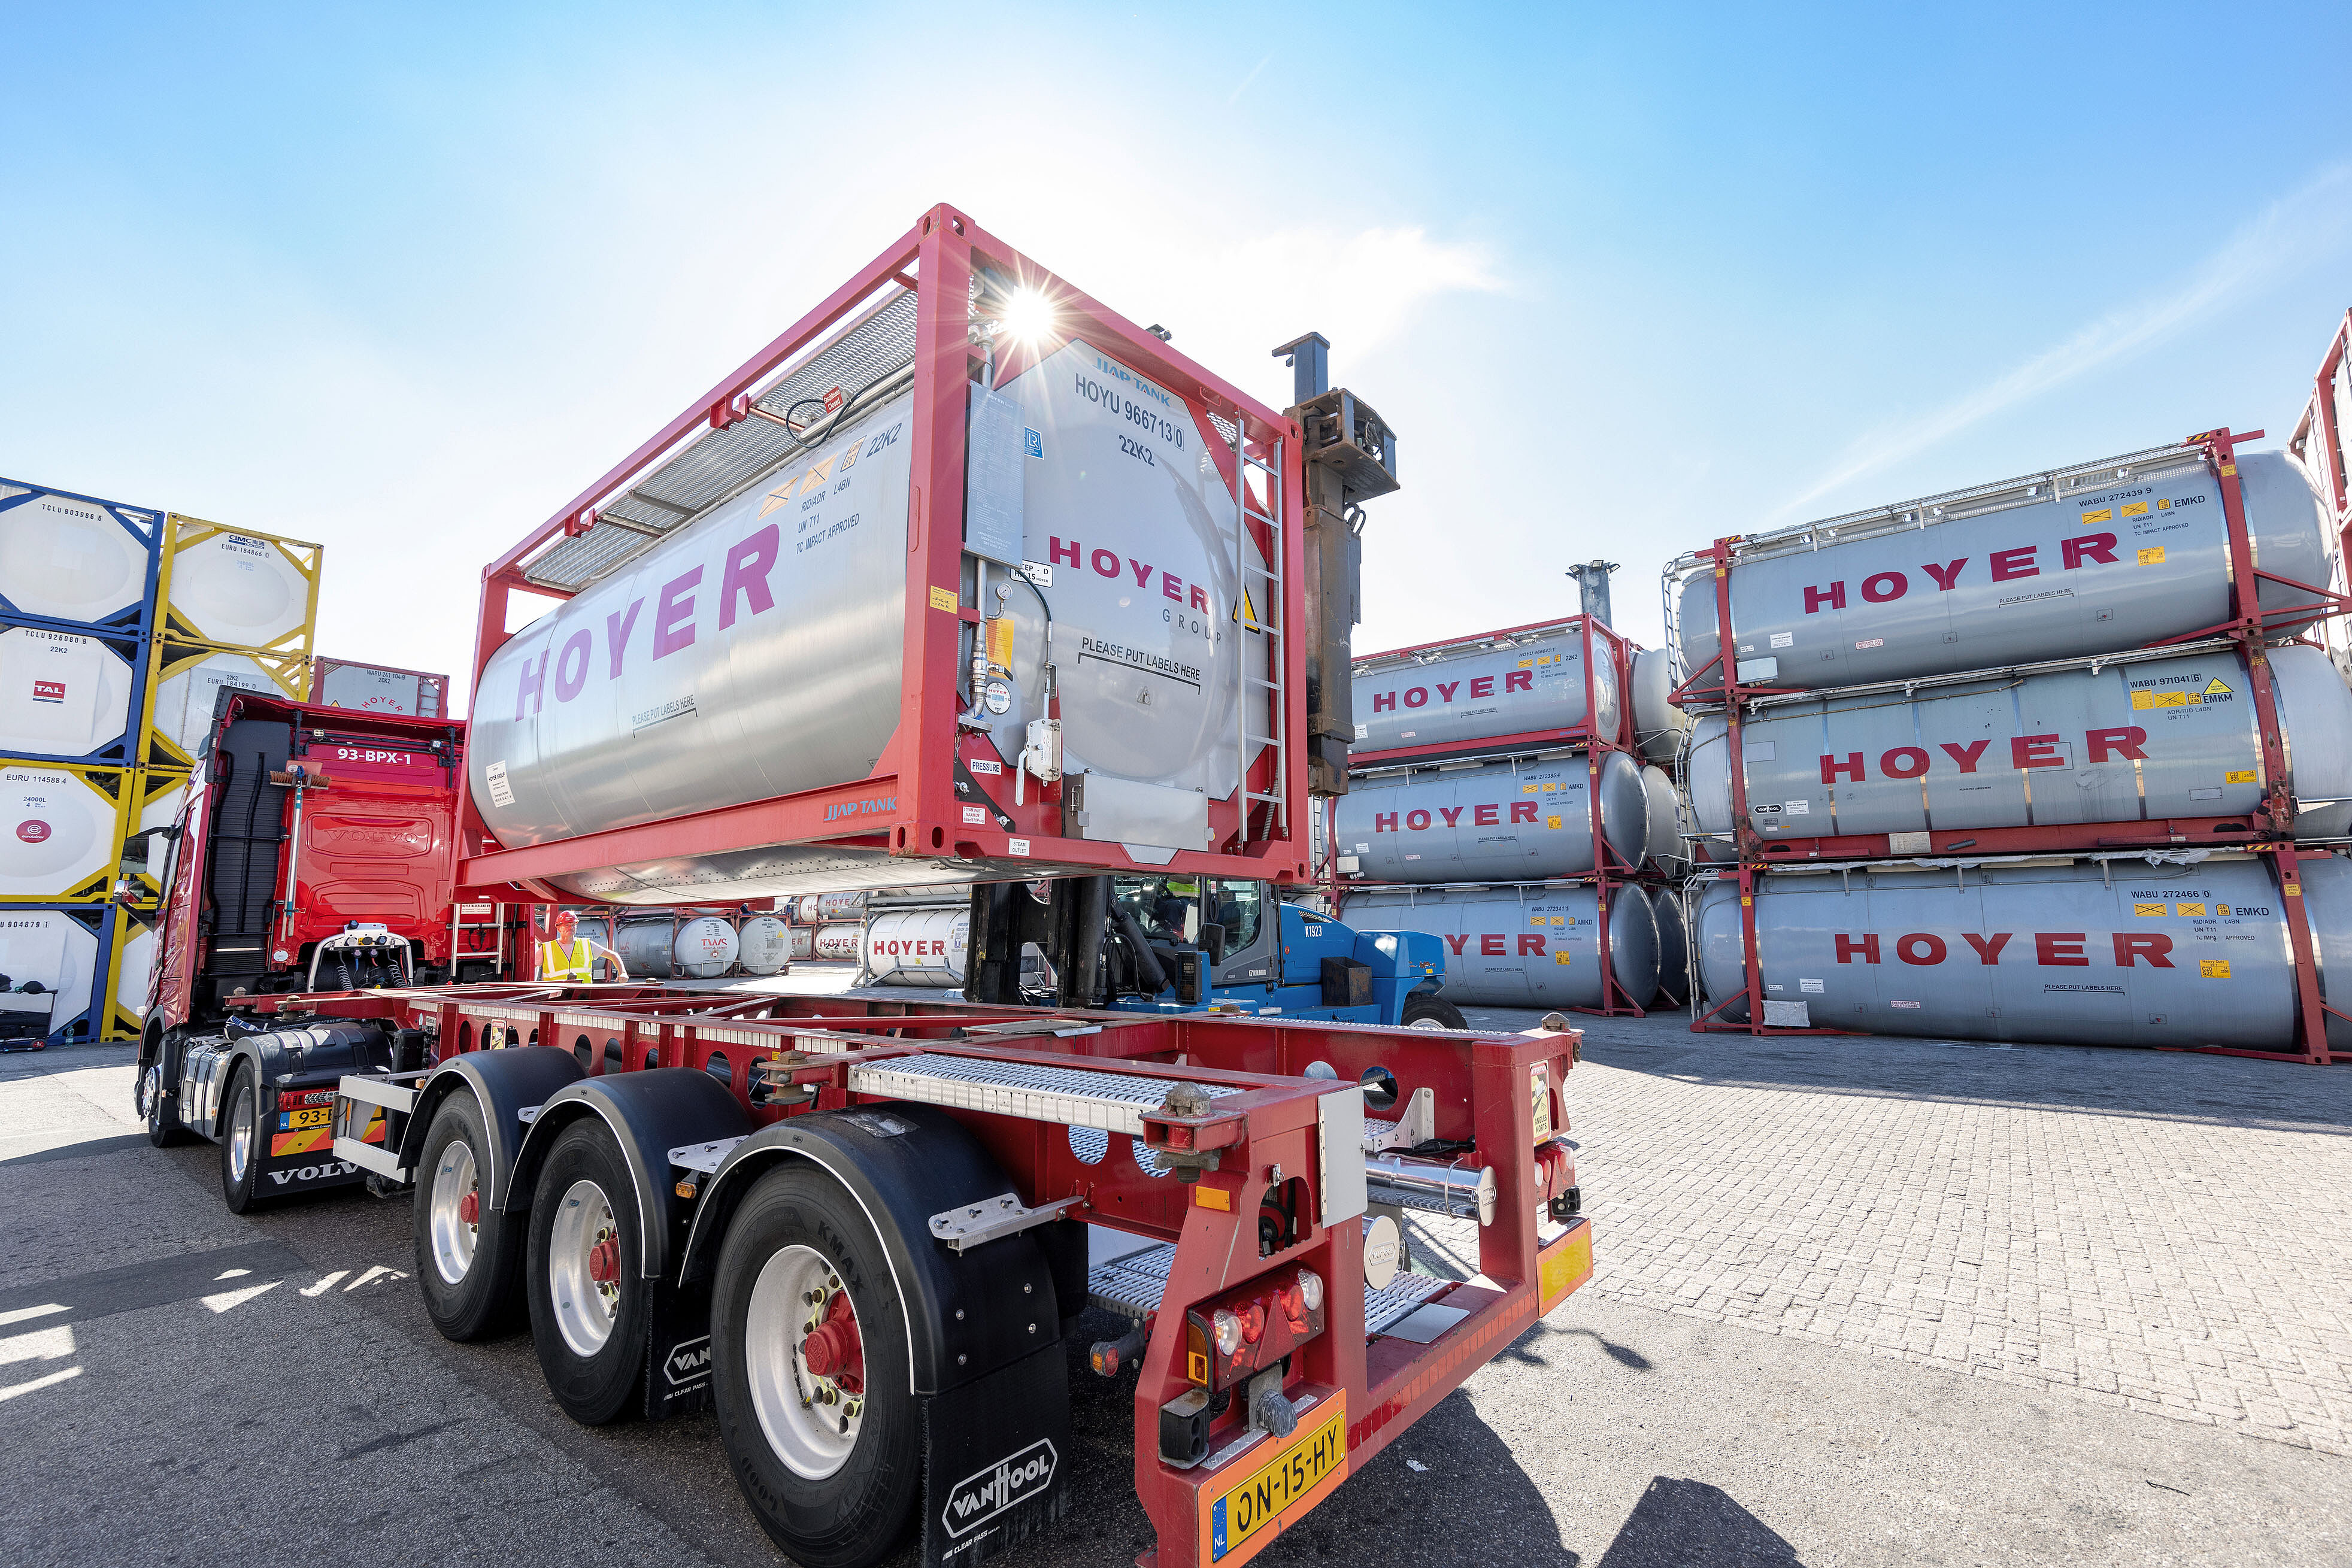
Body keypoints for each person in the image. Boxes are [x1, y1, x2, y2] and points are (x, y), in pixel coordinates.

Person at [539, 909, 629, 984]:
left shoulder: (587, 945)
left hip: (583, 995)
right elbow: (530, 965)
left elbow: (613, 955)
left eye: (573, 925)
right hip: (555, 996)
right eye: (567, 925)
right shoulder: (546, 948)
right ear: (559, 929)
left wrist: (623, 973)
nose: (571, 928)